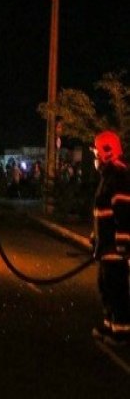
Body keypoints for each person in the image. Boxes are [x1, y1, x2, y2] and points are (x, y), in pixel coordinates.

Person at [90, 130, 130, 346]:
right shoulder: (109, 176)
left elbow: (123, 214)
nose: (94, 156)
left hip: (115, 248)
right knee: (105, 286)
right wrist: (95, 238)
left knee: (117, 290)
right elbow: (103, 212)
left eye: (96, 152)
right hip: (106, 246)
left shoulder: (118, 176)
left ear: (106, 152)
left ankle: (122, 332)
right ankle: (110, 325)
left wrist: (123, 247)